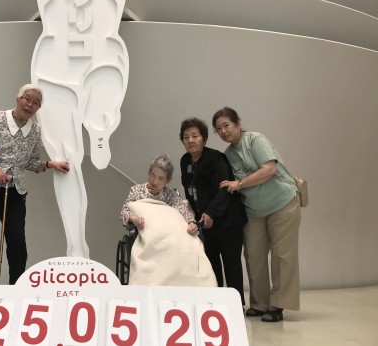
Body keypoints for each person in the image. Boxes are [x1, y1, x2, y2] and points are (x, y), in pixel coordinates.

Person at [0, 0, 213, 258]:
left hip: (101, 64)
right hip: (54, 73)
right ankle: (76, 246)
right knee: (66, 163)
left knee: (110, 69)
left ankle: (100, 126)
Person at [0, 84, 70, 284]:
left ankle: (16, 291)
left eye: (36, 102)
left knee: (18, 246)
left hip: (15, 192)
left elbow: (30, 162)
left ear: (39, 108)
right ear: (18, 99)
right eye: (27, 99)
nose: (30, 104)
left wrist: (50, 164)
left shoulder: (35, 130)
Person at [213, 107, 301, 322]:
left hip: (282, 203)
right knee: (253, 256)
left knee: (282, 255)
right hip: (254, 210)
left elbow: (269, 169)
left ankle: (278, 304)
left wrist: (240, 183)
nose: (223, 131)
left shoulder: (255, 140)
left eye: (226, 125)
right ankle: (259, 303)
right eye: (219, 129)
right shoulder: (228, 155)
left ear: (238, 123)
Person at [179, 117, 247, 304]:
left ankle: (236, 305)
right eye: (186, 137)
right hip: (206, 224)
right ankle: (214, 304)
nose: (191, 140)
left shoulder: (216, 158)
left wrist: (211, 213)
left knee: (231, 264)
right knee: (211, 265)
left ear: (204, 138)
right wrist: (196, 217)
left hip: (227, 221)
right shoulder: (185, 161)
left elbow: (224, 189)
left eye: (195, 136)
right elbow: (190, 192)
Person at [120, 154, 198, 236]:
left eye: (161, 179)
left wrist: (191, 223)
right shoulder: (137, 190)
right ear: (149, 173)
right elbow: (124, 212)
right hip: (143, 233)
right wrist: (134, 218)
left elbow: (184, 211)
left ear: (168, 181)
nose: (155, 181)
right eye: (152, 175)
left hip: (165, 233)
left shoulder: (170, 194)